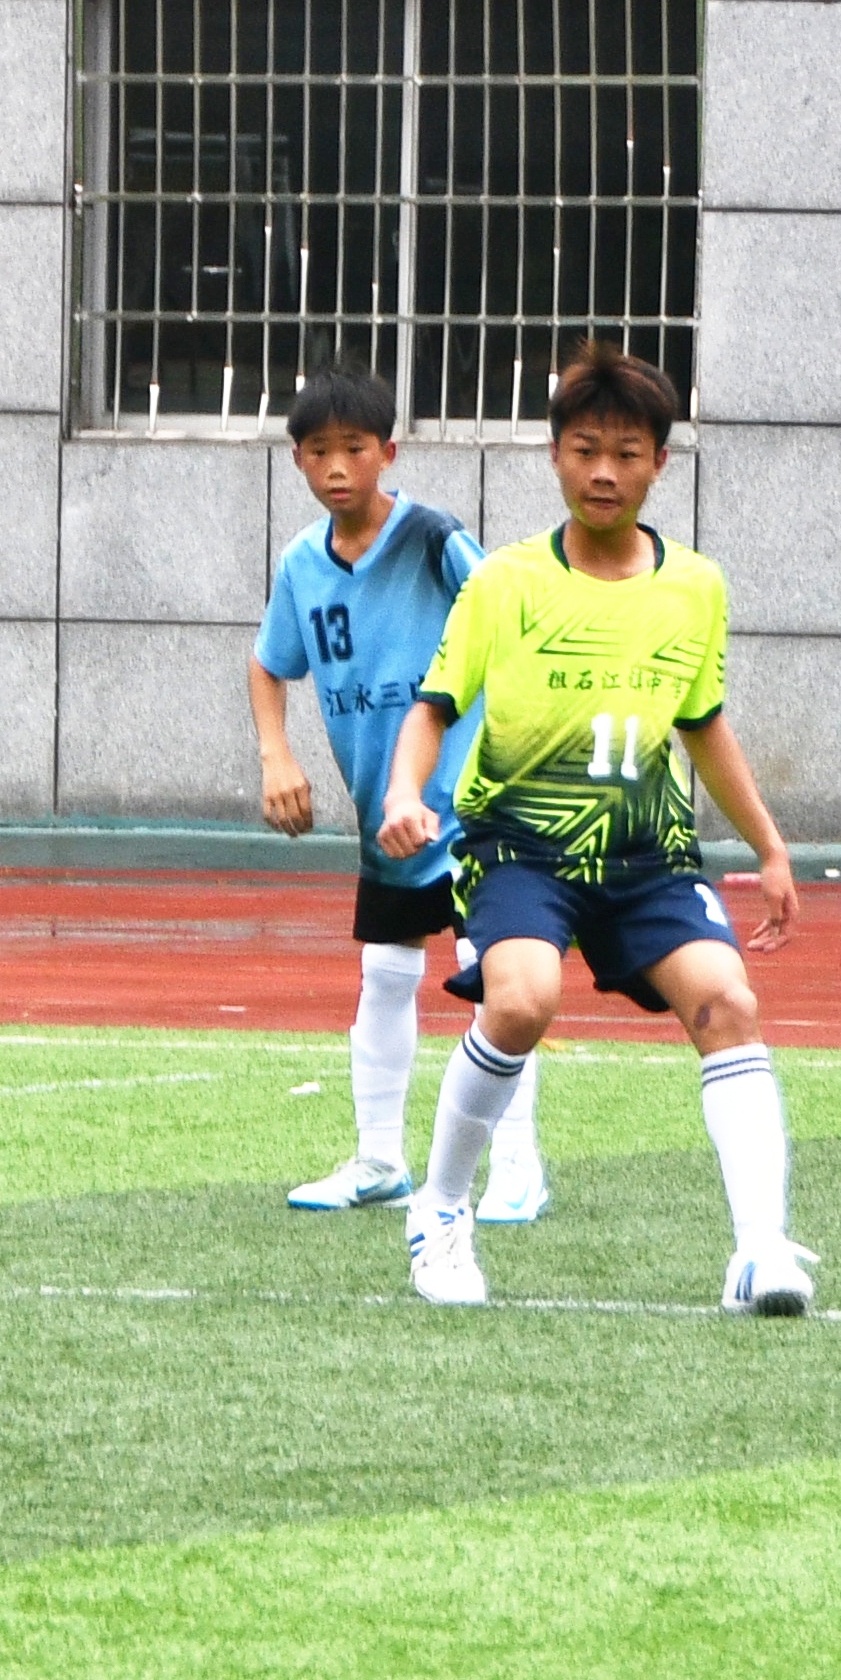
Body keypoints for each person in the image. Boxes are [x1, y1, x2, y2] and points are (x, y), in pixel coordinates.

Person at [377, 342, 812, 1314]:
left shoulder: (694, 587)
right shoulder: (504, 582)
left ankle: (758, 1252)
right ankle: (439, 1208)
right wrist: (405, 792)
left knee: (726, 1002)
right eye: (583, 448)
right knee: (521, 998)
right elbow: (434, 703)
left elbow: (702, 726)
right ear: (554, 456)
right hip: (515, 844)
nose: (603, 470)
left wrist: (769, 846)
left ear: (659, 461)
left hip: (645, 853)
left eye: (625, 451)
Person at [251, 365, 546, 1221]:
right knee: (385, 970)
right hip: (383, 808)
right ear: (298, 462)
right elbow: (269, 664)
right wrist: (276, 755)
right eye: (316, 451)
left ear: (388, 452)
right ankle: (379, 1159)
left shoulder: (430, 537)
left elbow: (504, 618)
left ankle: (516, 1164)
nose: (336, 465)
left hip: (469, 797)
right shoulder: (301, 564)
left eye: (352, 448)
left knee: (491, 969)